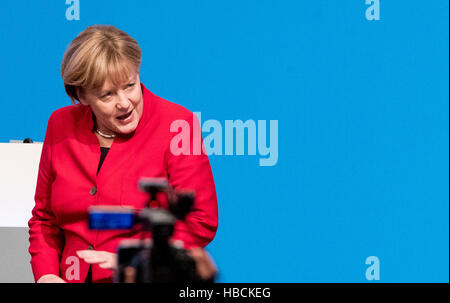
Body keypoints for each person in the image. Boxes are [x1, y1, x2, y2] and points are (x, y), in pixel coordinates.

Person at [28, 25, 218, 283]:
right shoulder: (60, 125)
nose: (125, 102)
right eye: (107, 94)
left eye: (130, 85)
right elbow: (44, 218)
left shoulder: (178, 125)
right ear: (80, 95)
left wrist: (138, 258)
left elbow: (200, 220)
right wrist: (47, 275)